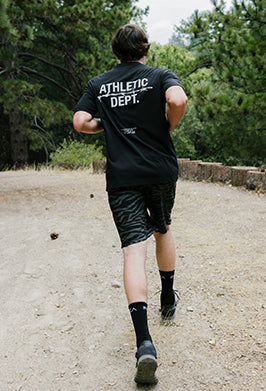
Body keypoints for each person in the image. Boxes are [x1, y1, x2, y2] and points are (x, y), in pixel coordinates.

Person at [73, 24, 187, 385]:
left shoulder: (99, 84)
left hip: (122, 177)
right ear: (146, 50)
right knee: (162, 227)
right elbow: (178, 100)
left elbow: (80, 122)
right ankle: (167, 298)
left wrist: (106, 126)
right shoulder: (159, 75)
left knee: (132, 252)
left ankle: (144, 344)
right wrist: (168, 125)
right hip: (159, 169)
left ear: (115, 52)